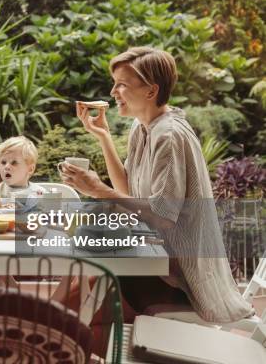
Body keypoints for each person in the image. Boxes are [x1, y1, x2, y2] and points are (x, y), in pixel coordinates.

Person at [60, 47, 253, 323]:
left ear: (151, 91)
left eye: (122, 85)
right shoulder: (142, 127)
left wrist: (99, 190)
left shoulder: (169, 136)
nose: (113, 92)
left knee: (91, 281)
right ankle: (42, 330)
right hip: (156, 259)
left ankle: (38, 330)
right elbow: (127, 189)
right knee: (85, 274)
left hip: (180, 278)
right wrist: (102, 137)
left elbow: (163, 217)